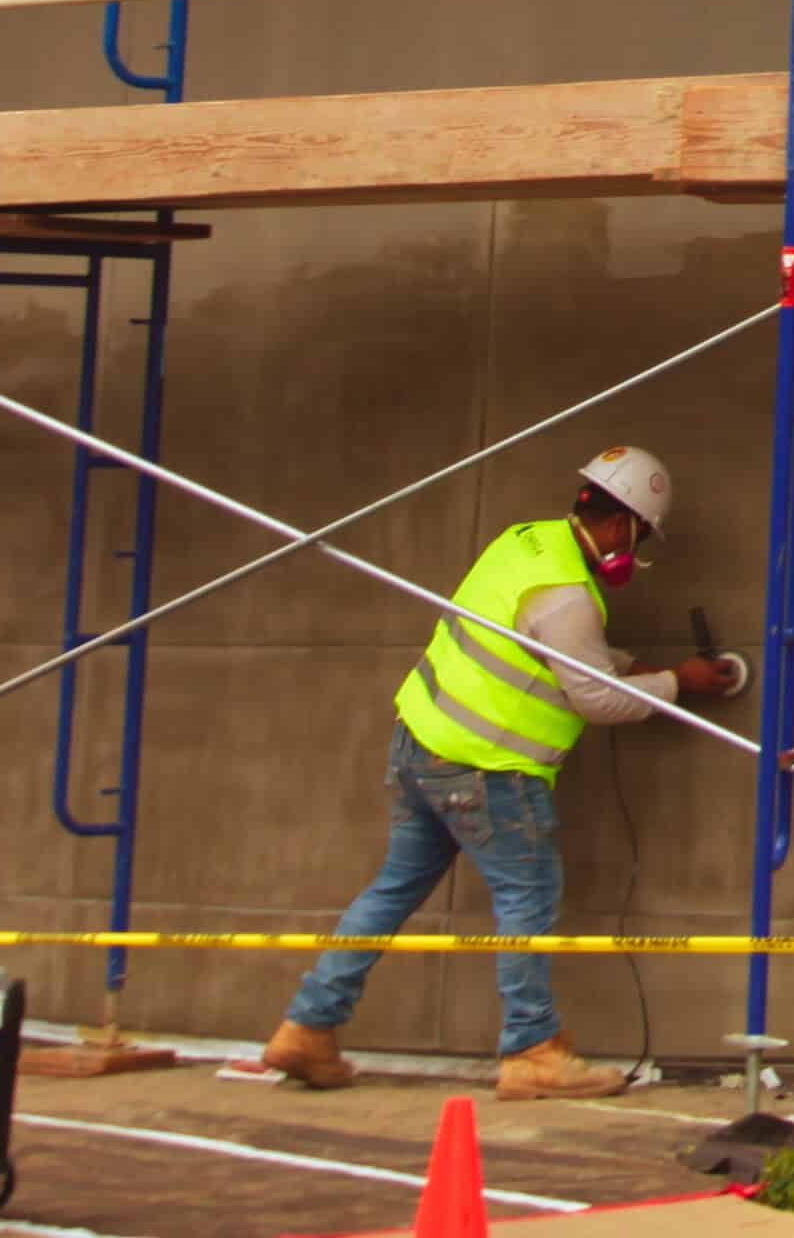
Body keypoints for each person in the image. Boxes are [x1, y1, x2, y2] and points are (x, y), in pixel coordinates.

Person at [261, 445, 747, 1100]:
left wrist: (638, 669)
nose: (632, 552)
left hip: (419, 746)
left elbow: (555, 655)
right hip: (489, 770)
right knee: (528, 897)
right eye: (638, 537)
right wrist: (678, 683)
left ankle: (308, 1026)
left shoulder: (523, 544)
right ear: (621, 525)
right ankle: (531, 1049)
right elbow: (595, 698)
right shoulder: (570, 596)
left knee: (390, 891)